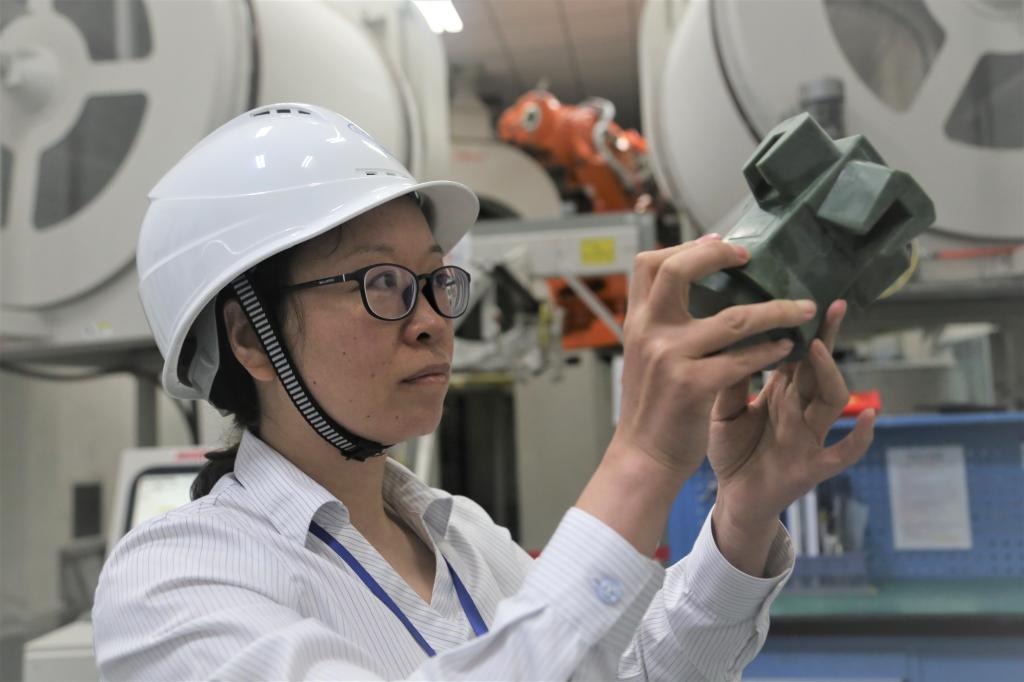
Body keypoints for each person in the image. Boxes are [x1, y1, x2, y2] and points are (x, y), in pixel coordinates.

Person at [93, 103, 875, 681]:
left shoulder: (461, 535)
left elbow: (628, 672)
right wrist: (640, 460)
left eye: (435, 278)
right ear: (248, 338)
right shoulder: (174, 581)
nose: (433, 321)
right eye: (382, 283)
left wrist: (743, 514)